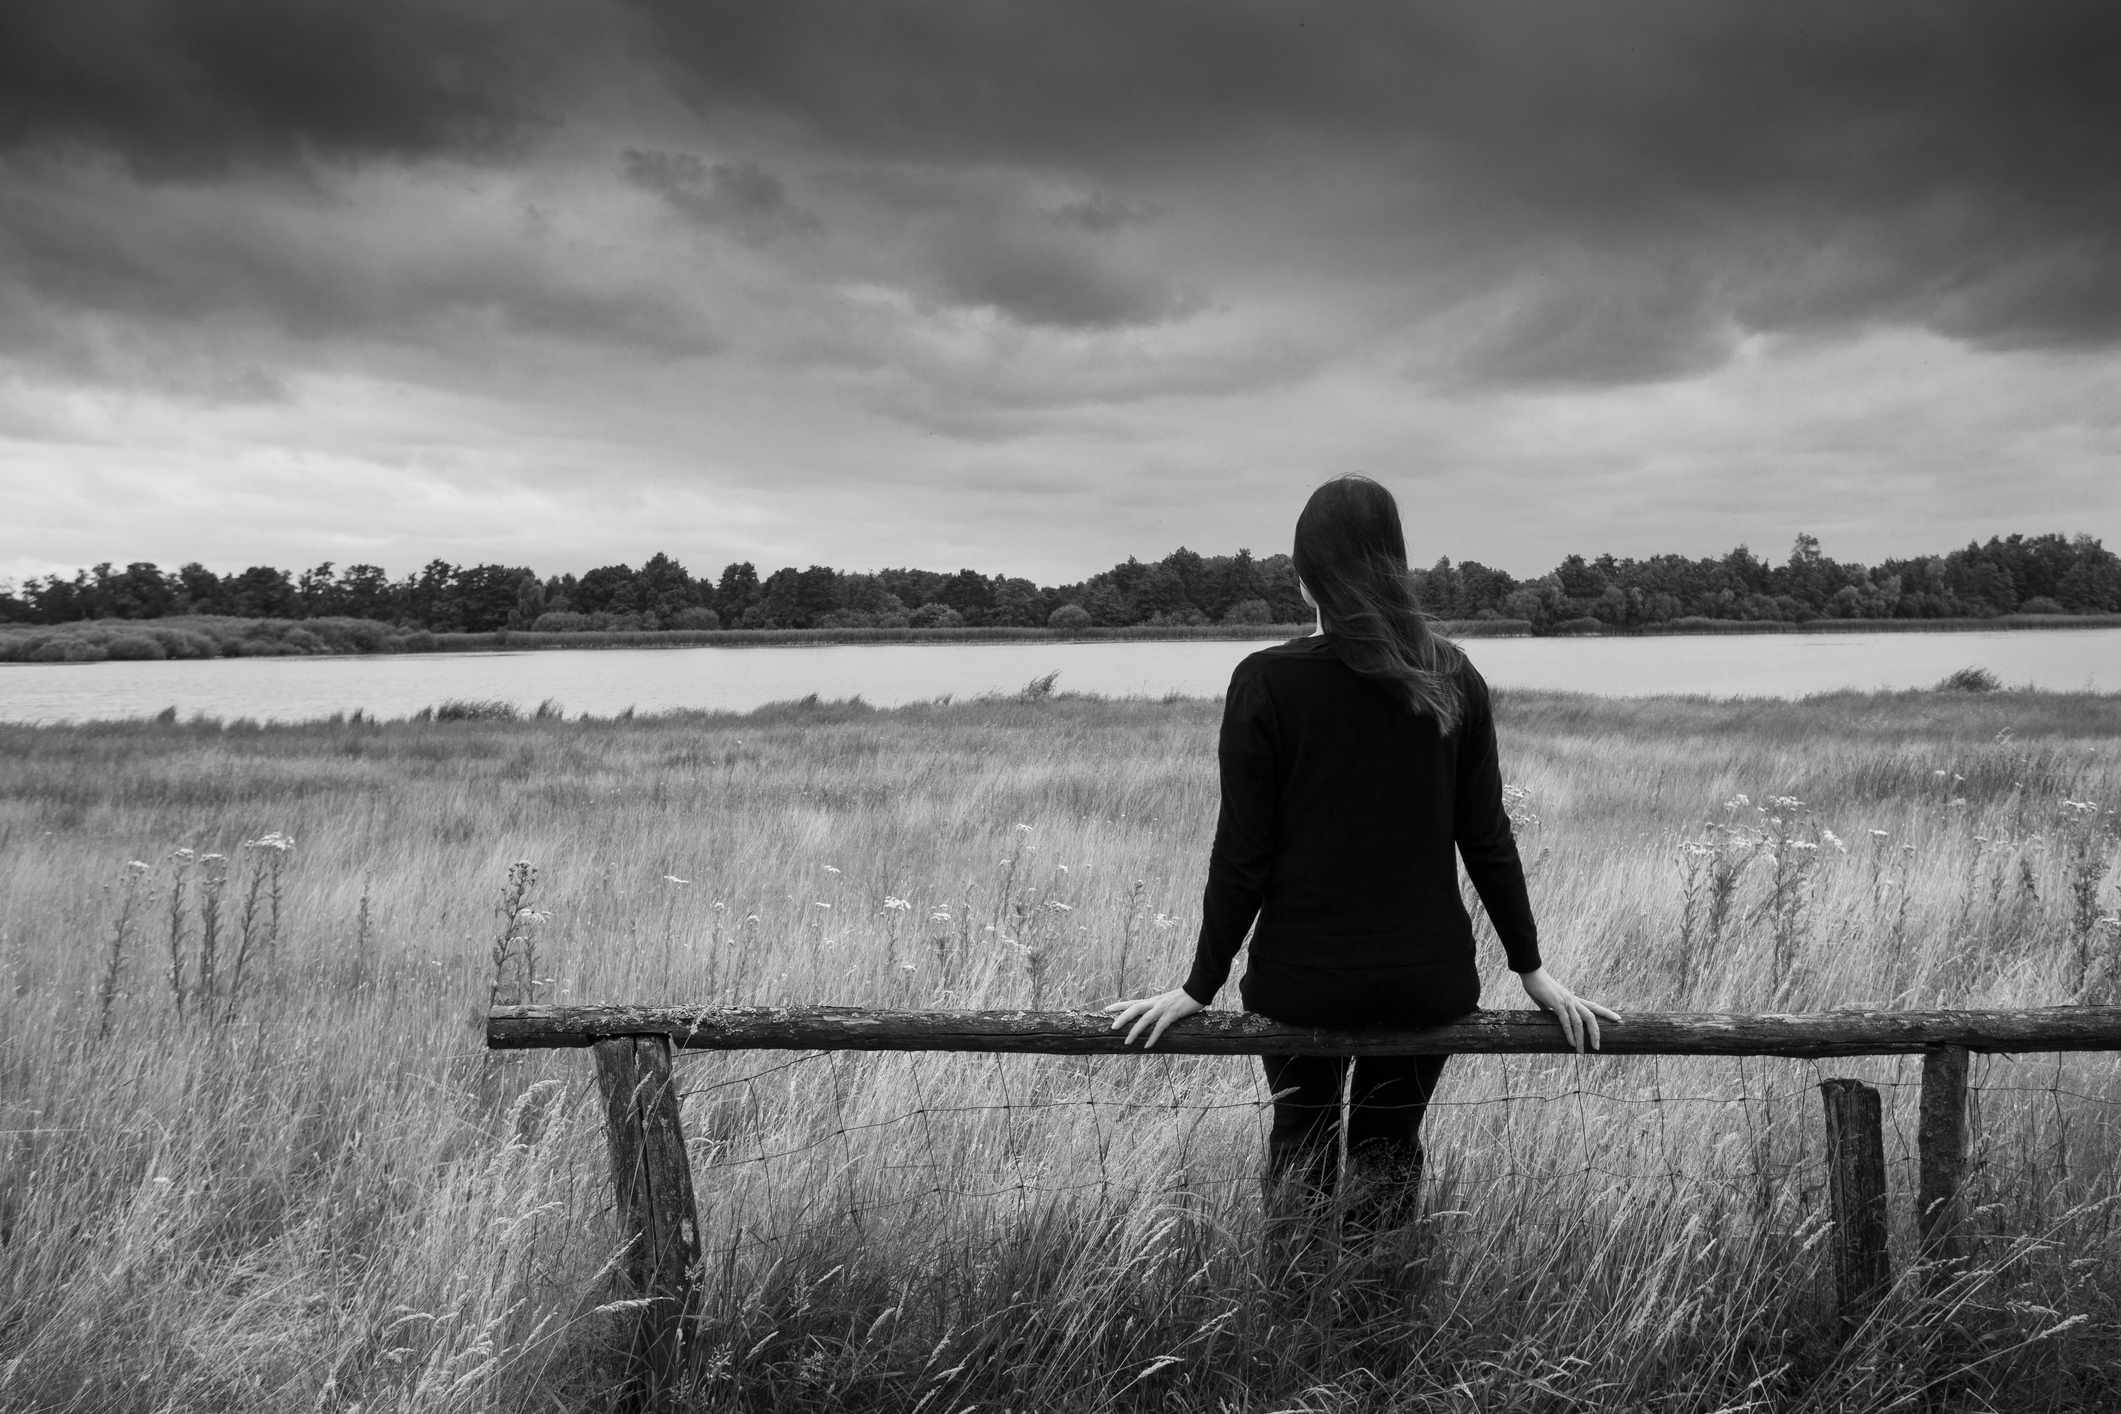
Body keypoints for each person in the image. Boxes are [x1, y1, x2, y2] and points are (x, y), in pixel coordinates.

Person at [1104, 475, 1618, 1243]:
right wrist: (1529, 969)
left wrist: (1198, 985)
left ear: (1302, 573)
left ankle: (1295, 1309)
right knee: (1387, 1147)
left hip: (1299, 985)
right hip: (1425, 983)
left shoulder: (1266, 682)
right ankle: (1381, 1312)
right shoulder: (1450, 677)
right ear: (1395, 564)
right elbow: (1486, 838)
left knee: (1301, 1142)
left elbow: (1242, 853)